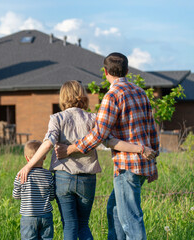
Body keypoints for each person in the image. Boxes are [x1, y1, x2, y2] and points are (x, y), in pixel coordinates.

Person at [17, 80, 155, 240]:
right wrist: (140, 149)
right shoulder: (93, 118)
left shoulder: (57, 118)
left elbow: (48, 143)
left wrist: (29, 165)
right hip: (87, 180)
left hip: (63, 178)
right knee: (83, 224)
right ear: (82, 96)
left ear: (63, 97)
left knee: (69, 224)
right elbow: (111, 141)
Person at [55, 53, 159, 240]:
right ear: (127, 71)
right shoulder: (140, 92)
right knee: (115, 211)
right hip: (143, 164)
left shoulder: (112, 96)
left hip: (126, 166)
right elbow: (152, 130)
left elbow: (99, 134)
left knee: (131, 220)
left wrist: (70, 149)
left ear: (105, 72)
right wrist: (154, 165)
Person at [13, 140, 55, 240]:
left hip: (28, 217)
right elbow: (52, 196)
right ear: (44, 157)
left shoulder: (21, 174)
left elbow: (16, 195)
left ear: (27, 158)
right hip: (46, 215)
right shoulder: (49, 175)